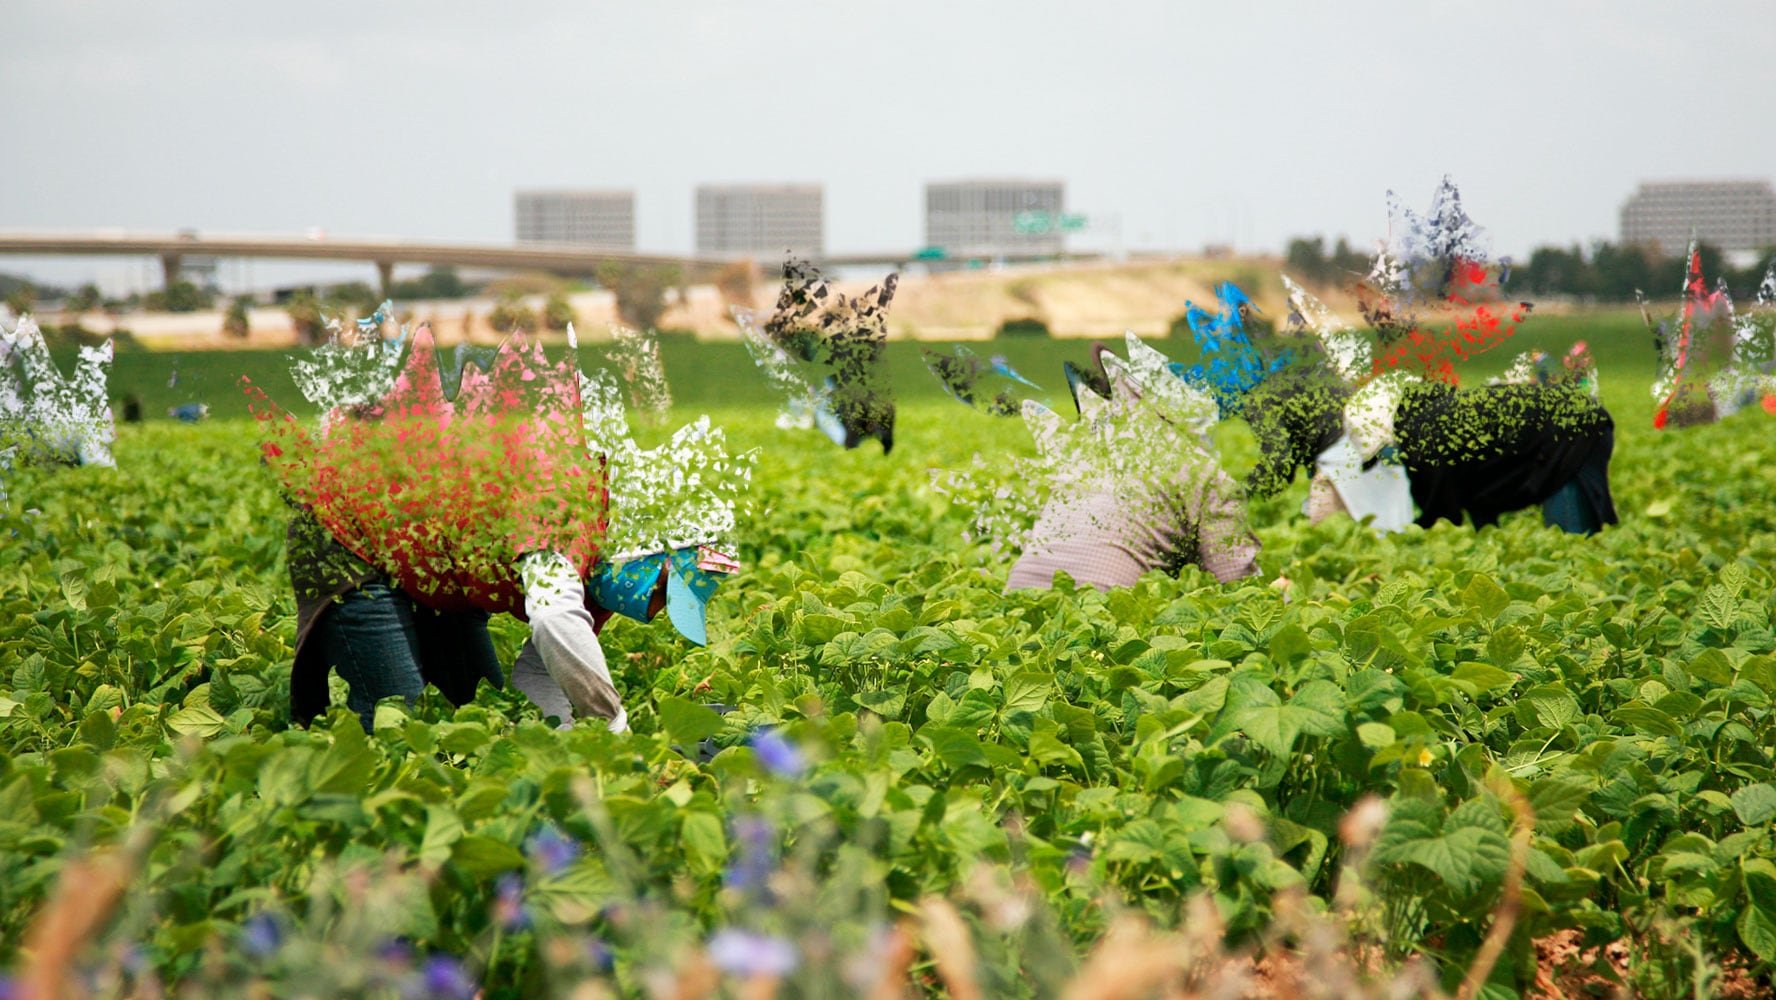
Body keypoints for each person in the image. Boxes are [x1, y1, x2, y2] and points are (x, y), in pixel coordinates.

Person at [260, 325, 739, 732]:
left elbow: (539, 673)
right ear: (648, 551)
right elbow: (552, 622)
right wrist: (614, 726)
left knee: (481, 706)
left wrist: (569, 738)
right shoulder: (563, 506)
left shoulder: (602, 563)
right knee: (397, 717)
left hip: (433, 560)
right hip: (347, 526)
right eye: (663, 590)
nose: (652, 609)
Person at [1005, 345, 1260, 591]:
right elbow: (1237, 584)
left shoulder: (1090, 455)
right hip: (1102, 601)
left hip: (1018, 593)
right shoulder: (1205, 474)